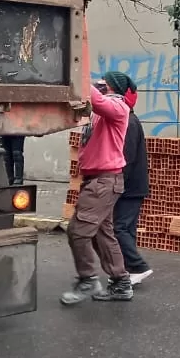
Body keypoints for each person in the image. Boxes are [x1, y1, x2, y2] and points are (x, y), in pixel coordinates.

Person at [61, 71, 134, 305]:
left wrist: (78, 76)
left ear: (111, 87)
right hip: (99, 180)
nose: (98, 85)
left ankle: (88, 279)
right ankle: (121, 283)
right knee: (103, 235)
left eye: (103, 83)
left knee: (78, 231)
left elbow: (98, 101)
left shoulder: (118, 106)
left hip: (104, 181)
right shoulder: (99, 112)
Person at [83, 83, 153, 286]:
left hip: (129, 186)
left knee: (119, 229)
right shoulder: (128, 119)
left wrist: (118, 186)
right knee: (125, 229)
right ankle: (130, 271)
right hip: (131, 185)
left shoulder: (128, 121)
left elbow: (127, 158)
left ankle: (138, 266)